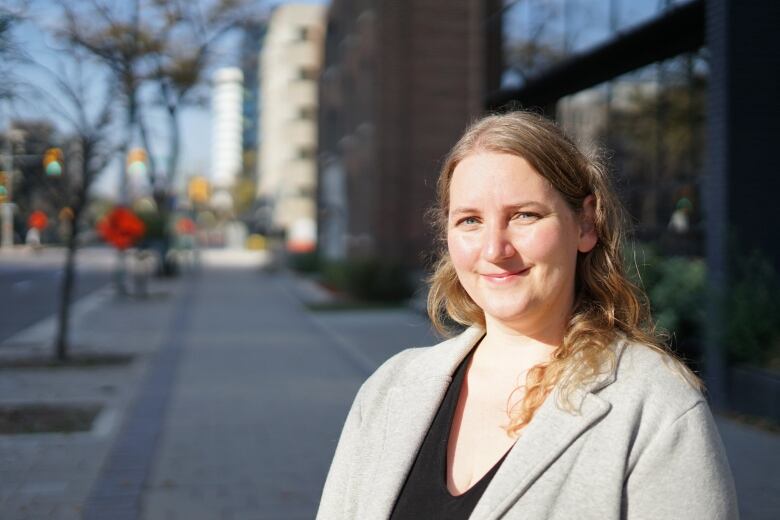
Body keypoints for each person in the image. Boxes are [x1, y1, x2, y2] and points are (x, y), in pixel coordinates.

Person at [317, 111, 738, 519]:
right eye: (470, 221)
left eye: (524, 215)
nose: (494, 249)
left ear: (586, 225)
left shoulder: (654, 406)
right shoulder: (390, 391)